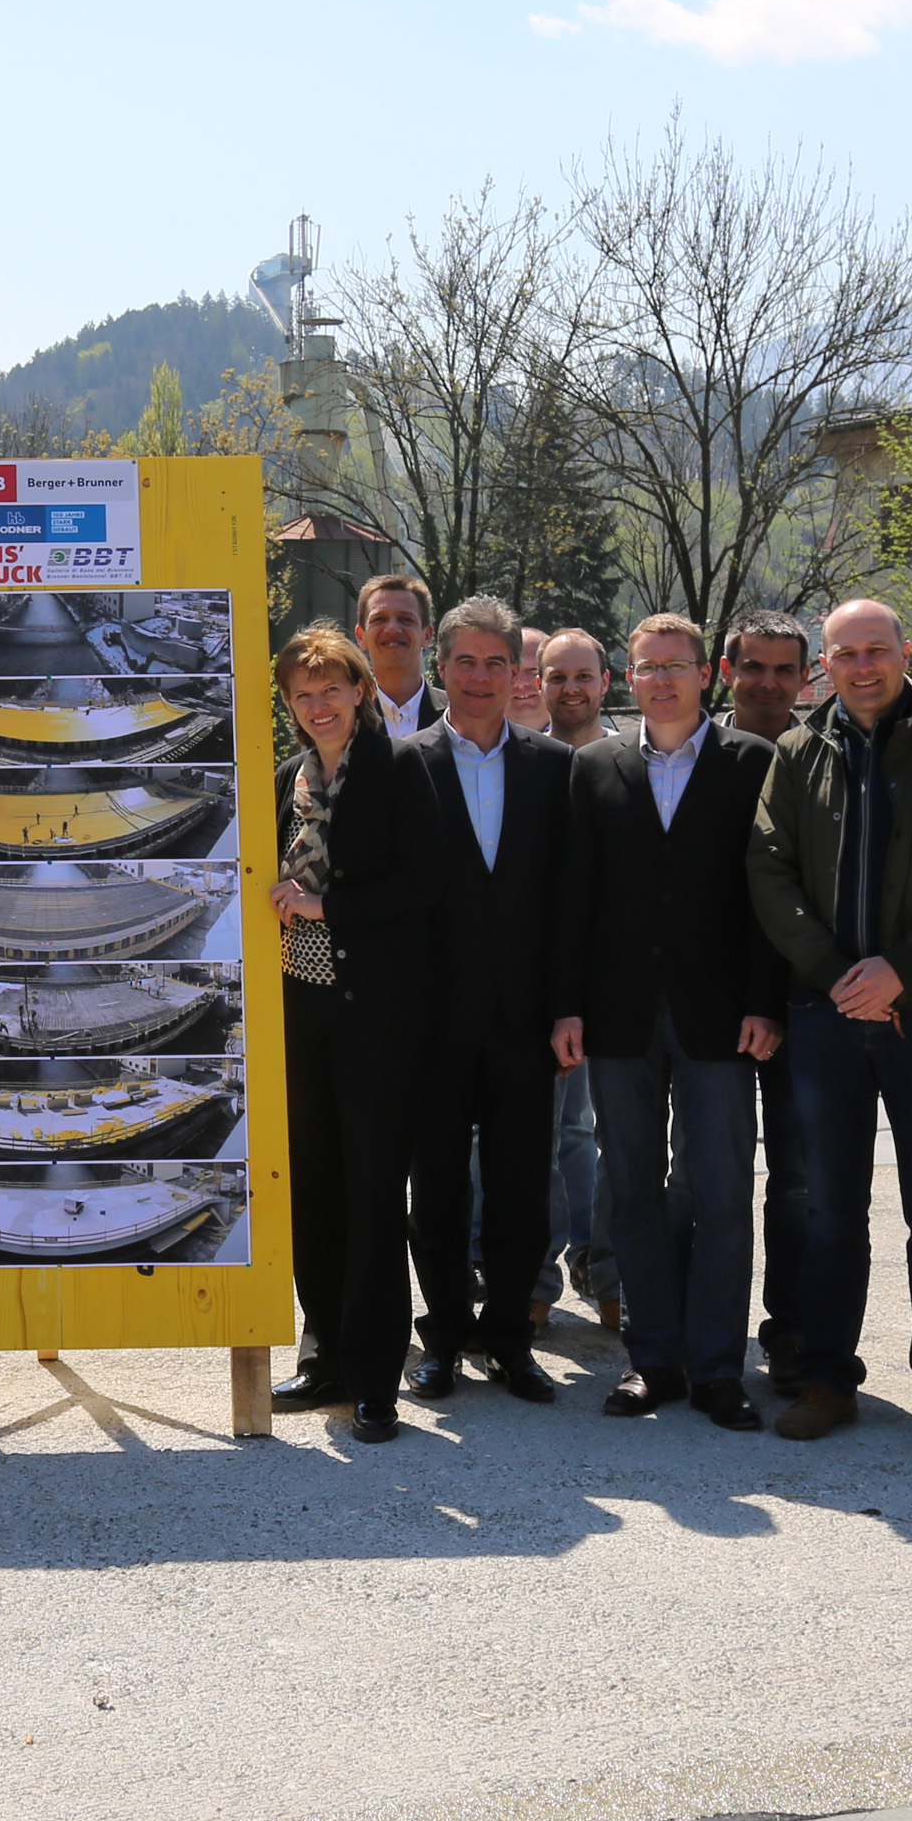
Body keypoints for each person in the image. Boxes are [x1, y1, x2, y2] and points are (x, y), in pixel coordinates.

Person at [746, 600, 912, 1455]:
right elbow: (768, 867)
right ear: (824, 663)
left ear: (905, 653)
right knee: (830, 1208)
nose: (862, 666)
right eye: (845, 653)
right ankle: (828, 1376)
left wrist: (900, 968)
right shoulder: (797, 752)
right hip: (824, 1017)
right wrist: (836, 975)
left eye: (877, 650)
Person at [551, 614, 785, 1429]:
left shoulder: (753, 762)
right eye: (647, 667)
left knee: (722, 1188)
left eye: (676, 666)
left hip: (721, 1013)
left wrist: (764, 998)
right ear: (628, 676)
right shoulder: (595, 767)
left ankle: (719, 1366)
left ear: (706, 673)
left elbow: (767, 895)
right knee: (633, 1192)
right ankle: (653, 1359)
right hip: (617, 1016)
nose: (661, 679)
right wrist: (568, 1005)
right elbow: (572, 899)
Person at [388, 598, 572, 1403]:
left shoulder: (553, 767)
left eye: (497, 662)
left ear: (516, 675)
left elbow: (573, 900)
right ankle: (444, 1338)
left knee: (521, 1184)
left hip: (527, 1021)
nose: (480, 677)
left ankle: (509, 1338)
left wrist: (568, 1007)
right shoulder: (405, 763)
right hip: (431, 1018)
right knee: (436, 1190)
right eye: (465, 660)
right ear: (442, 665)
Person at [268, 622, 440, 1440]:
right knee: (315, 1186)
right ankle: (322, 1352)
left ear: (362, 690)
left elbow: (426, 883)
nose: (318, 704)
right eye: (303, 694)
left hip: (378, 1012)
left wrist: (324, 905)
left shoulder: (402, 766)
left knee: (374, 1190)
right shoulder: (286, 779)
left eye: (332, 687)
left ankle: (375, 1377)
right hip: (299, 1006)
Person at [720, 607, 814, 1383]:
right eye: (755, 665)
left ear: (805, 677)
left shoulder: (823, 757)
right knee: (707, 1173)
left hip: (801, 1000)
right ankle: (700, 1327)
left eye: (785, 669)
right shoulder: (698, 749)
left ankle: (788, 1329)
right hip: (709, 1005)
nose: (769, 682)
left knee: (798, 1176)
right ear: (728, 670)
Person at [533, 625, 620, 1332]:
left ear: (605, 681)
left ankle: (605, 1269)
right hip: (532, 982)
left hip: (610, 983)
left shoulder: (631, 761)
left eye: (581, 675)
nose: (570, 689)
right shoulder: (523, 763)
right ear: (538, 685)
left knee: (593, 1134)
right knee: (542, 1135)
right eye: (556, 676)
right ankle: (537, 1278)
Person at [357, 574, 444, 742]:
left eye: (406, 619)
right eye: (379, 619)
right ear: (361, 636)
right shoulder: (344, 720)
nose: (392, 629)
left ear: (427, 636)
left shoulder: (457, 716)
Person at [505, 627, 554, 738]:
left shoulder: (593, 749)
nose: (520, 683)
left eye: (533, 671)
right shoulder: (468, 749)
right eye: (511, 672)